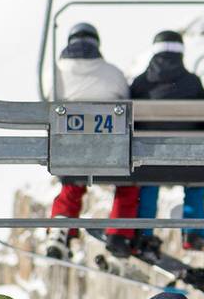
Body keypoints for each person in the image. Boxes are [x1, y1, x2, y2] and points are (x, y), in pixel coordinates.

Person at [50, 22, 140, 260]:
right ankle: (119, 232)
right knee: (128, 187)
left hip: (70, 151)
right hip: (110, 151)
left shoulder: (56, 73)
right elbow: (127, 105)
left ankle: (61, 227)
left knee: (71, 186)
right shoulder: (113, 73)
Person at [127, 30, 204, 258]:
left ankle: (144, 233)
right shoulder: (192, 82)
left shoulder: (142, 82)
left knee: (148, 186)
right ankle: (192, 233)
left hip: (149, 156)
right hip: (186, 156)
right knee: (195, 183)